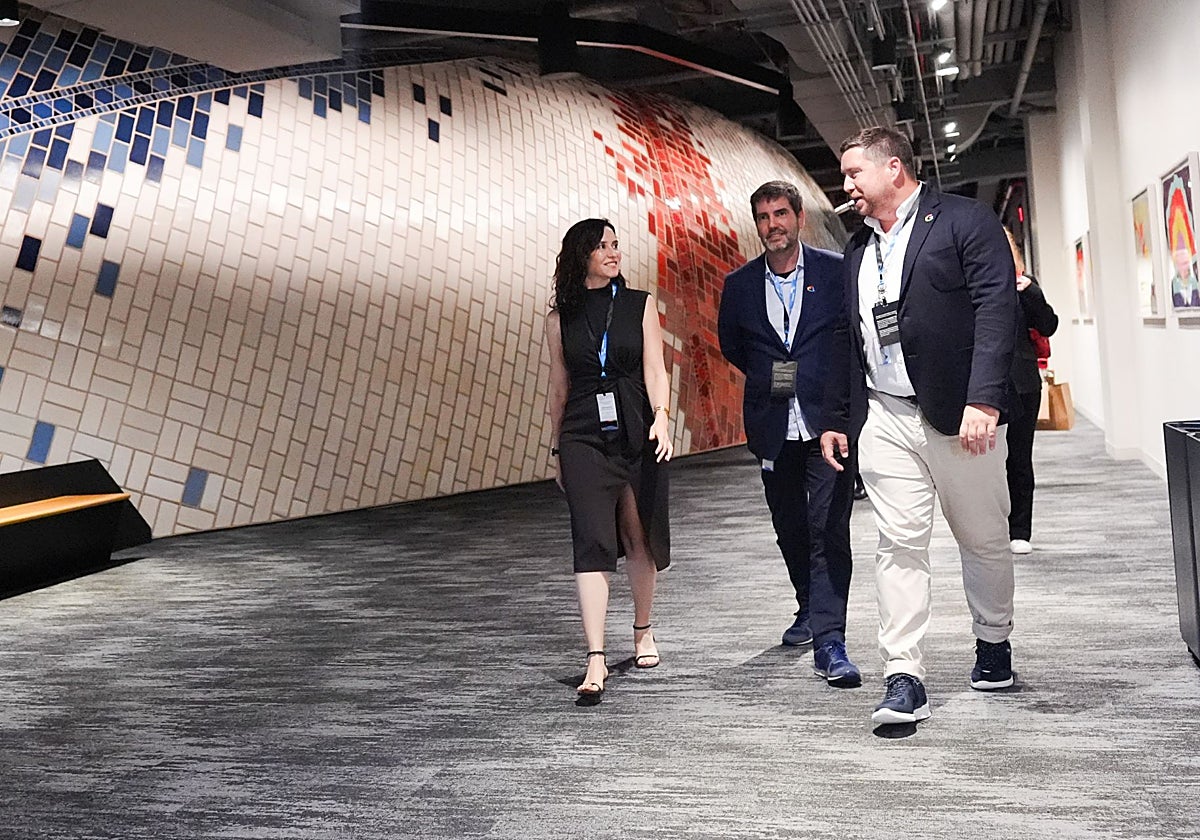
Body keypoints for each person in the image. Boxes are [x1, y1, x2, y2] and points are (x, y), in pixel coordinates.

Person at [821, 127, 1019, 726]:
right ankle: (904, 675)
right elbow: (848, 335)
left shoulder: (963, 220)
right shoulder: (858, 247)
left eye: (855, 173)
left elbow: (995, 305)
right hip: (886, 412)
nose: (847, 185)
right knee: (898, 544)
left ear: (895, 168)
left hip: (961, 415)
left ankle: (993, 643)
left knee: (982, 535)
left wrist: (984, 398)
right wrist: (837, 416)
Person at [717, 180, 864, 687]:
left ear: (799, 218)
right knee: (790, 527)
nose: (772, 224)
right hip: (773, 427)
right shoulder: (739, 286)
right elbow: (733, 346)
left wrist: (841, 411)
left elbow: (853, 343)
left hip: (829, 427)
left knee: (827, 527)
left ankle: (831, 641)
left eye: (780, 213)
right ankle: (808, 605)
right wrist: (773, 376)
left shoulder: (836, 271)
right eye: (763, 217)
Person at [544, 218, 673, 698]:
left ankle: (643, 629)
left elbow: (655, 370)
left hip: (638, 428)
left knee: (639, 533)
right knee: (591, 538)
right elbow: (559, 385)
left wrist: (661, 415)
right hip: (581, 434)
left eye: (616, 244)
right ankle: (595, 657)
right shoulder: (559, 320)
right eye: (603, 246)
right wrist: (557, 447)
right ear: (582, 255)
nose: (614, 252)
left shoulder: (639, 305)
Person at [1004, 228, 1058, 555]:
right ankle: (993, 526)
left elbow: (1049, 325)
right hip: (981, 387)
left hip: (1023, 384)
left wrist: (1031, 294)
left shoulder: (1025, 284)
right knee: (985, 464)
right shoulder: (967, 285)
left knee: (1019, 459)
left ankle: (1020, 529)